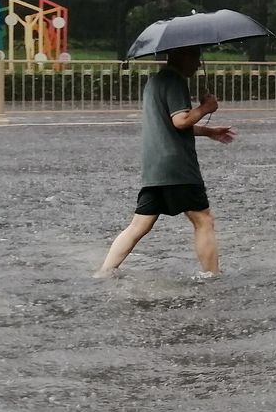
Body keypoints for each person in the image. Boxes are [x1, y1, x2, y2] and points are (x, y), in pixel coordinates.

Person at [96, 45, 234, 279]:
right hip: (178, 167)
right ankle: (212, 276)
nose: (199, 64)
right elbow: (180, 121)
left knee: (139, 226)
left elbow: (168, 126)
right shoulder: (175, 81)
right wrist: (205, 108)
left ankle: (104, 272)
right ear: (183, 56)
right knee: (204, 220)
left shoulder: (154, 82)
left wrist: (208, 131)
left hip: (155, 167)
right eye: (196, 58)